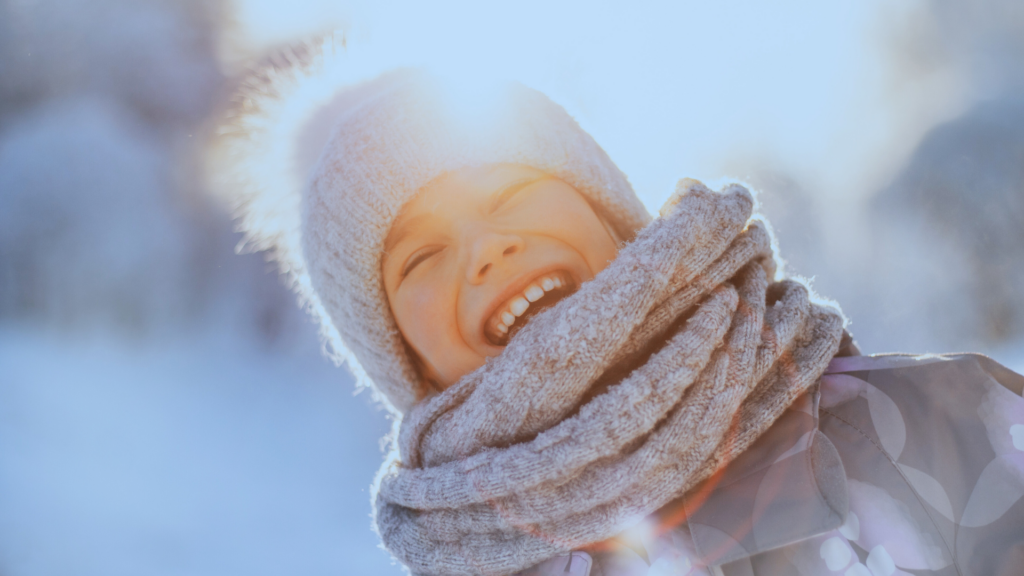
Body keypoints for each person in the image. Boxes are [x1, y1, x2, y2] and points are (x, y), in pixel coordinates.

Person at [213, 44, 1024, 576]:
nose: (487, 249)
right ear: (405, 361)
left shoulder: (943, 426)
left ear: (612, 216)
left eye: (511, 189)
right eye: (420, 257)